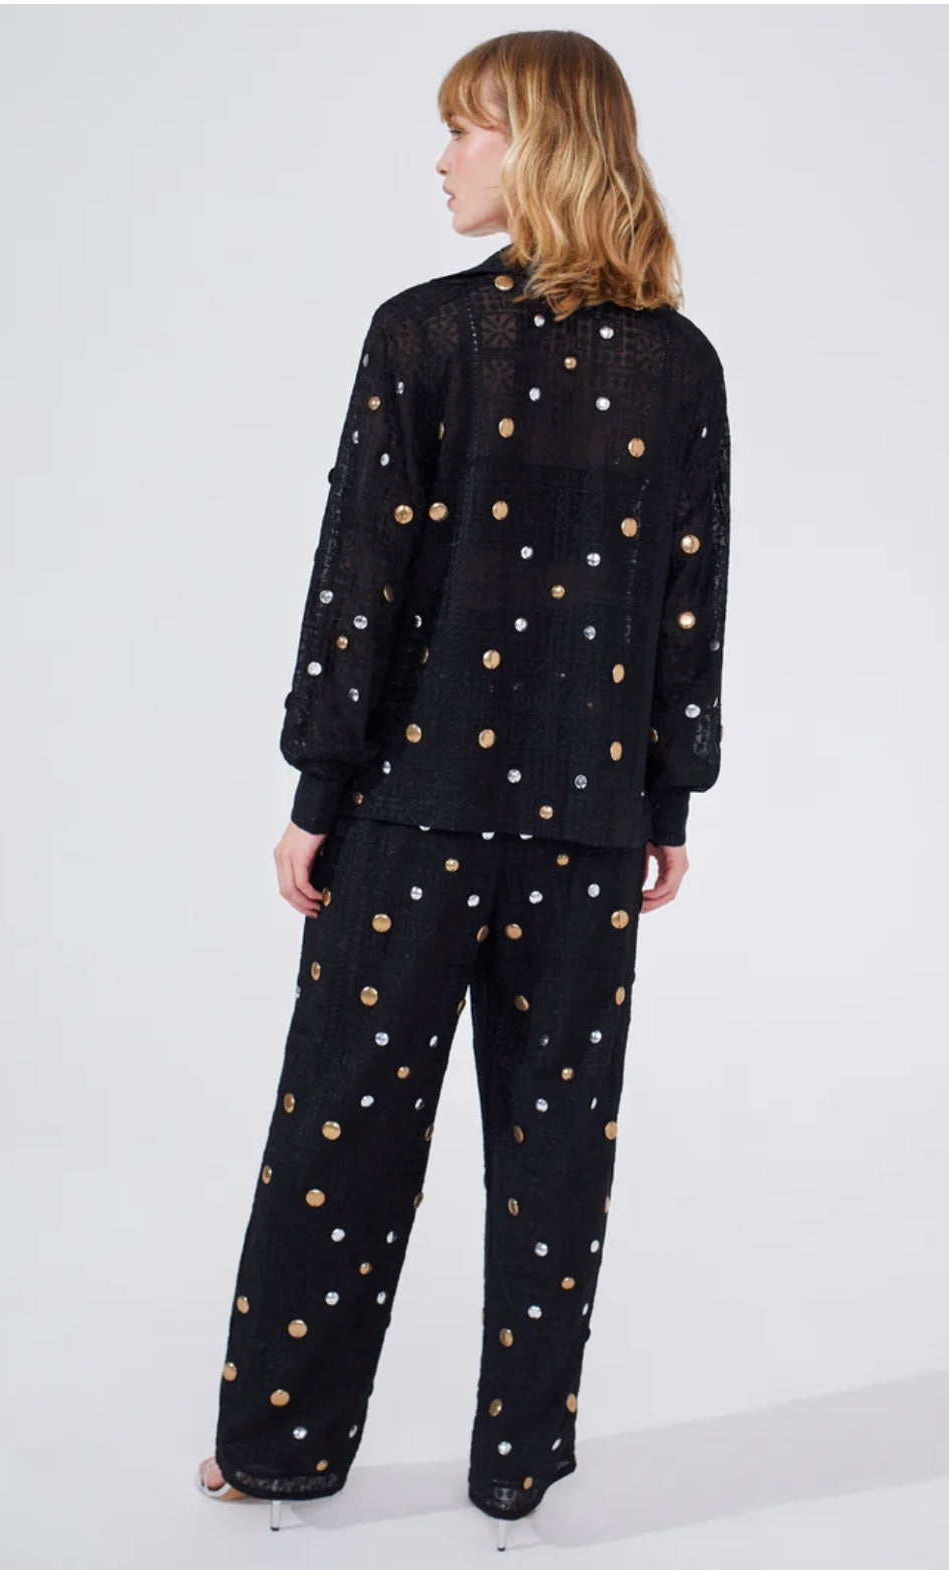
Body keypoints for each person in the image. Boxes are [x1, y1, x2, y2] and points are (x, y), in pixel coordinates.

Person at [195, 28, 731, 1550]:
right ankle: (520, 1462)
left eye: (470, 130)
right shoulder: (682, 364)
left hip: (411, 813)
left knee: (341, 1137)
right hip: (585, 824)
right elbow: (690, 602)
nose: (444, 159)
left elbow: (360, 580)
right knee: (556, 1145)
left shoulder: (424, 335)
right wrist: (666, 800)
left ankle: (279, 1453)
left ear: (542, 146)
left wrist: (319, 788)